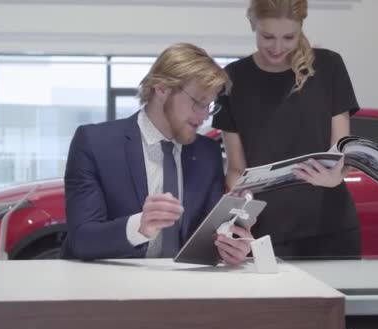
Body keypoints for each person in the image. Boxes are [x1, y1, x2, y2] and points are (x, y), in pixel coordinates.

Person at [60, 42, 253, 266]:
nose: (204, 116)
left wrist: (229, 244)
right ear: (161, 88)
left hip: (183, 288)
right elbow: (82, 240)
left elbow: (206, 237)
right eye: (199, 103)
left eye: (209, 106)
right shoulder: (95, 143)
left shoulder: (207, 153)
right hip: (109, 286)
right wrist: (139, 226)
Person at [213, 0, 361, 258]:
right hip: (264, 230)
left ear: (301, 28)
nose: (277, 47)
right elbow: (237, 168)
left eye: (289, 37)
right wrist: (241, 209)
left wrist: (335, 177)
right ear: (252, 24)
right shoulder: (234, 79)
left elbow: (340, 148)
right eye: (267, 36)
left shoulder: (329, 66)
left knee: (332, 299)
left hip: (330, 224)